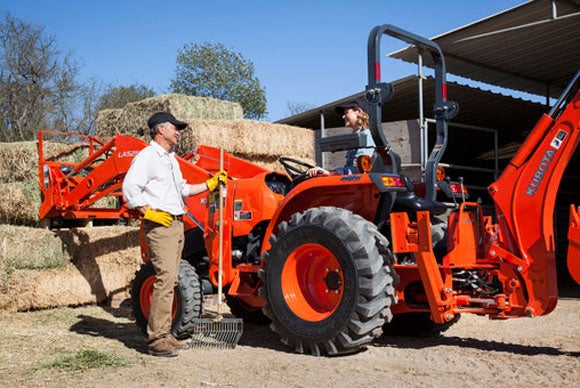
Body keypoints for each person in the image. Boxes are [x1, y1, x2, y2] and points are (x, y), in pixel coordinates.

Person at [122, 112, 226, 357]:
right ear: (160, 130)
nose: (178, 131)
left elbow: (183, 189)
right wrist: (147, 213)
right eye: (174, 127)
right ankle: (157, 339)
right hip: (160, 225)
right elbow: (129, 187)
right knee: (165, 279)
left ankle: (165, 333)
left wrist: (209, 185)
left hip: (176, 223)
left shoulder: (171, 159)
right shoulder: (147, 157)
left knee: (173, 280)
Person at [306, 100, 376, 177]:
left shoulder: (364, 136)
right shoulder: (356, 137)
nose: (343, 116)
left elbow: (357, 170)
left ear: (358, 111)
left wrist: (330, 173)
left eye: (346, 113)